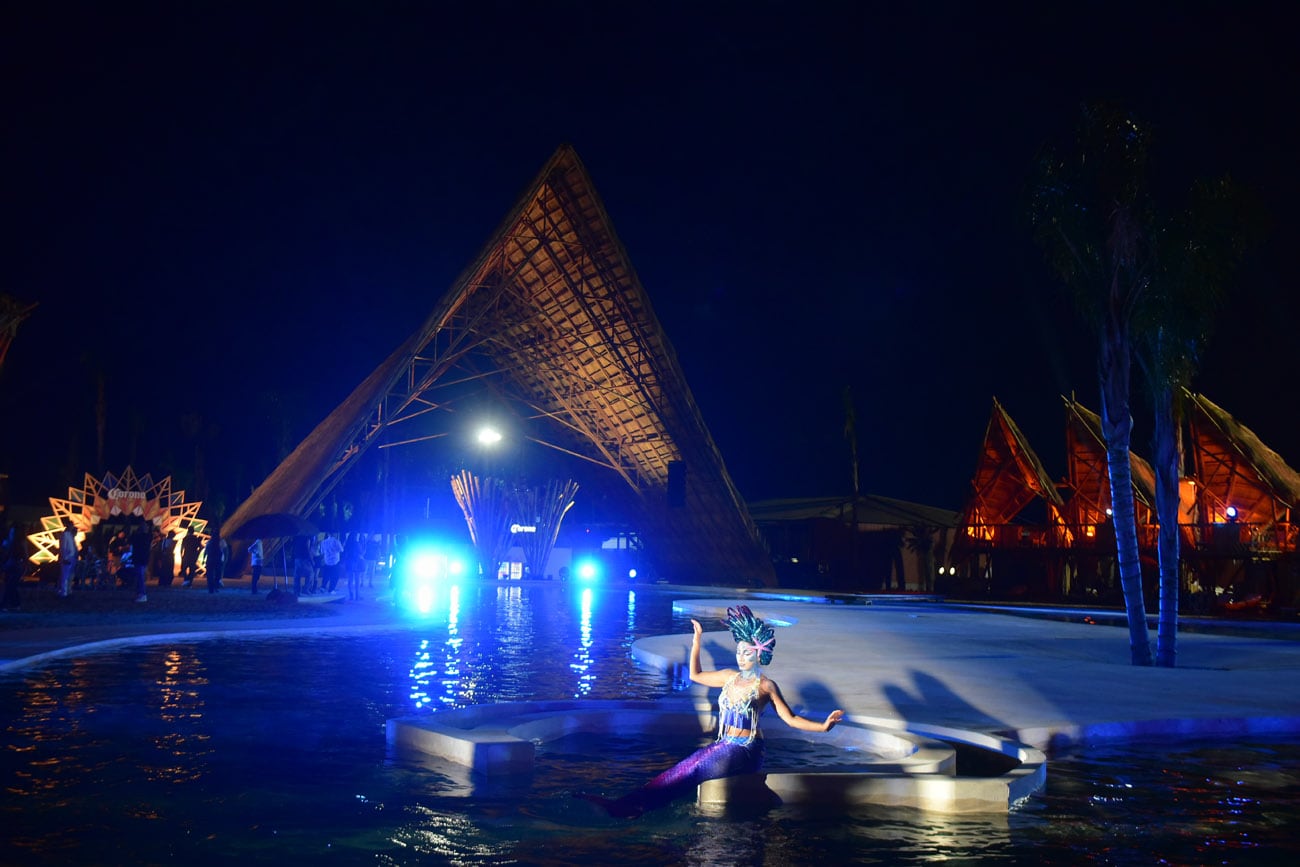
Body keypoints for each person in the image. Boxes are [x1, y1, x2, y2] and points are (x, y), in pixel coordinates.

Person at [579, 605, 845, 818]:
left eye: (747, 653)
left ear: (757, 655)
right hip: (724, 745)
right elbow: (694, 674)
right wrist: (697, 640)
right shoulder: (728, 677)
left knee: (693, 767)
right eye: (739, 652)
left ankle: (632, 808)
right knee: (688, 765)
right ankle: (631, 805)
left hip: (746, 749)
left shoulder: (765, 686)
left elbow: (791, 718)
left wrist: (824, 727)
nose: (741, 657)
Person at [2, 524, 29, 610]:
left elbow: (25, 555)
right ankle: (15, 604)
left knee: (10, 585)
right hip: (13, 564)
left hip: (16, 564)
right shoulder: (11, 542)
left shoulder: (19, 542)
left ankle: (7, 604)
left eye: (12, 531)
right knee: (11, 585)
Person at [130, 520, 152, 602]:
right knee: (141, 576)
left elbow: (133, 543)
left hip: (139, 558)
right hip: (143, 558)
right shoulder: (147, 537)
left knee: (140, 576)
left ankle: (142, 594)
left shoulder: (138, 537)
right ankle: (140, 593)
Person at [58, 520, 79, 597]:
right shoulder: (65, 535)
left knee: (69, 575)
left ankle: (67, 591)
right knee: (65, 575)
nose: (72, 527)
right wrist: (64, 557)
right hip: (67, 557)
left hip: (71, 557)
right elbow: (63, 547)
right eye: (71, 525)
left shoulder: (70, 535)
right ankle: (64, 592)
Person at [343, 532, 365, 601]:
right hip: (356, 562)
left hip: (349, 563)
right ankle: (357, 596)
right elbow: (361, 552)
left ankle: (351, 595)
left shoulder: (347, 544)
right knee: (357, 580)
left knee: (350, 580)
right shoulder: (357, 544)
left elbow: (345, 553)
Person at [204, 530, 225, 594]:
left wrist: (204, 558)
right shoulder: (221, 541)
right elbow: (225, 550)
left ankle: (211, 588)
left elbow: (206, 550)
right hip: (218, 560)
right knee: (217, 574)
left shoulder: (209, 542)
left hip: (210, 559)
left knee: (210, 574)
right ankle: (215, 587)